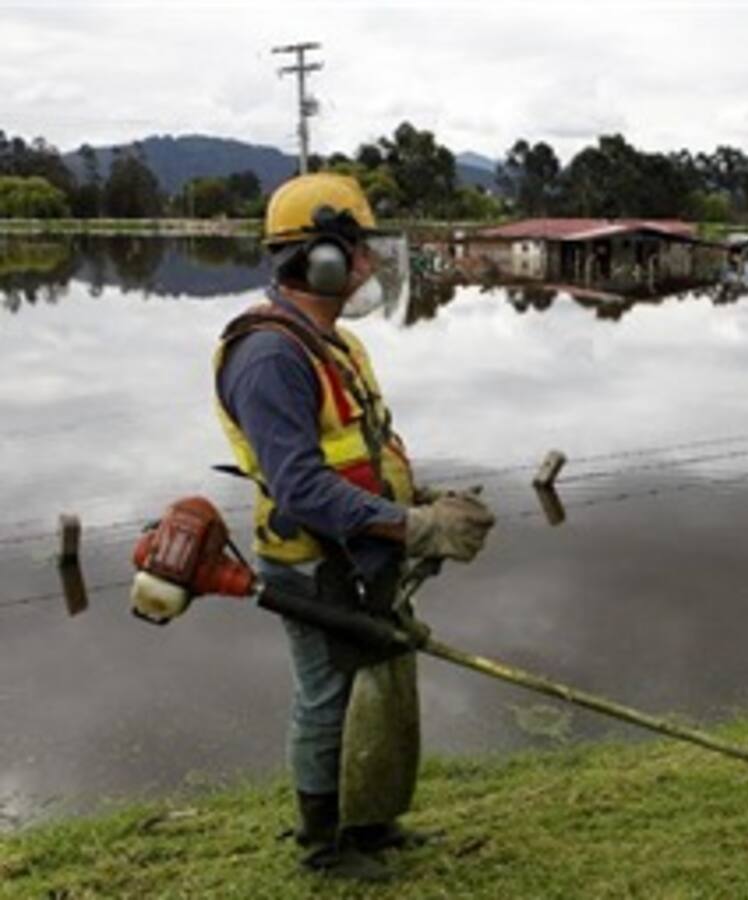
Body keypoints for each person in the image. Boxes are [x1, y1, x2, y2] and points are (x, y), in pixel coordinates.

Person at [212, 173, 494, 880]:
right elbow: (302, 487)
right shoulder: (270, 357)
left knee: (374, 686)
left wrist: (422, 497)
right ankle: (324, 845)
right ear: (321, 259)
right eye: (357, 249)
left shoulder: (331, 344)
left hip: (361, 552)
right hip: (312, 561)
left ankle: (370, 824)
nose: (369, 263)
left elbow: (360, 450)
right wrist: (415, 527)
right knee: (327, 698)